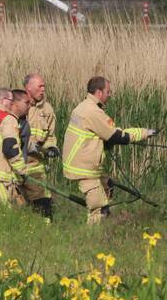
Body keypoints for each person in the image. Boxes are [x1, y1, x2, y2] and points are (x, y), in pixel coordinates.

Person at [62, 76, 155, 224]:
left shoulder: (83, 107)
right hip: (84, 167)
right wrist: (144, 133)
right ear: (99, 92)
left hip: (81, 163)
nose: (110, 95)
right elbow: (116, 136)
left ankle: (105, 223)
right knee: (98, 207)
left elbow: (97, 134)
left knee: (108, 186)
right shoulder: (93, 111)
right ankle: (93, 237)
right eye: (108, 91)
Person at [22, 73, 59, 218]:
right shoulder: (17, 104)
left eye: (44, 86)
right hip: (16, 164)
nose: (43, 89)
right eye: (39, 86)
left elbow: (50, 135)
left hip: (36, 166)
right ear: (28, 88)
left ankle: (46, 231)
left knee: (43, 203)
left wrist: (51, 147)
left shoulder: (47, 109)